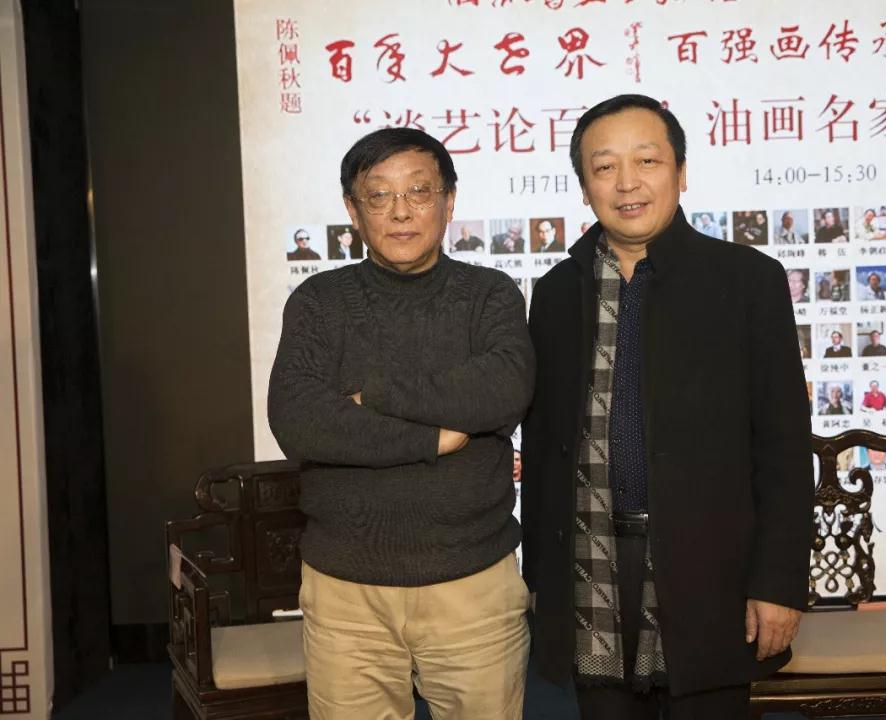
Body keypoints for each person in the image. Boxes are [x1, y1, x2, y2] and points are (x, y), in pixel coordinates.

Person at [522, 94, 812, 718]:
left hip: (711, 572)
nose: (627, 183)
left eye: (647, 161)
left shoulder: (747, 281)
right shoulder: (555, 294)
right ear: (584, 187)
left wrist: (779, 583)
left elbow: (785, 448)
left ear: (681, 173)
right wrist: (540, 581)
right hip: (591, 568)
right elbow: (544, 448)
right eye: (605, 167)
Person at [267, 128, 534, 719]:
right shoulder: (318, 302)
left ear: (449, 200)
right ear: (352, 210)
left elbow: (502, 391)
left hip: (472, 582)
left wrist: (373, 396)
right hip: (346, 590)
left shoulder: (489, 295)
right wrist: (430, 437)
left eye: (418, 191)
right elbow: (299, 420)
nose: (401, 211)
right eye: (379, 195)